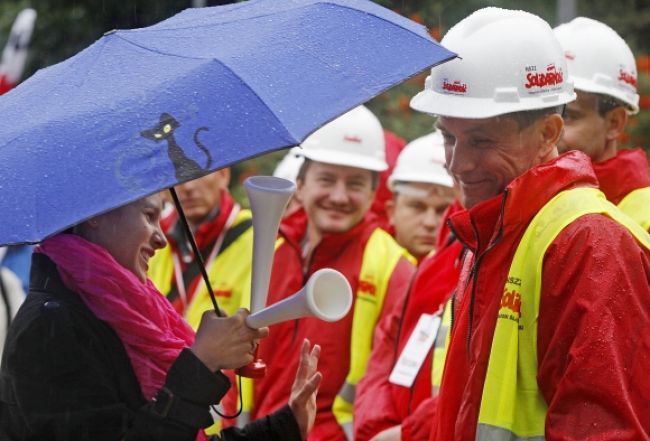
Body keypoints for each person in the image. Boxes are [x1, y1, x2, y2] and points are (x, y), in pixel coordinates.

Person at [408, 7, 650, 440]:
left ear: (547, 133)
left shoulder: (590, 245)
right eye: (448, 136)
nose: (458, 163)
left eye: (482, 140)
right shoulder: (492, 232)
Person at [0, 193, 322, 441]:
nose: (161, 237)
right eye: (149, 215)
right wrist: (200, 363)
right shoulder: (50, 327)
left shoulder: (119, 311)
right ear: (97, 214)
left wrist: (286, 425)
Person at [225, 105, 415, 441]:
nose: (339, 196)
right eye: (326, 179)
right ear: (300, 184)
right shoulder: (270, 248)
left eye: (355, 183)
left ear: (374, 192)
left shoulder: (394, 267)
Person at [554, 17, 650, 230]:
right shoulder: (527, 199)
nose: (548, 134)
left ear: (614, 123)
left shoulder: (645, 218)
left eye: (568, 116)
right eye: (543, 116)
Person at [148, 169, 254, 329]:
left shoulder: (259, 237)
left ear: (224, 175)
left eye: (198, 172)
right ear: (163, 190)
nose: (188, 186)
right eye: (177, 175)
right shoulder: (151, 244)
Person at [384, 131, 455, 262]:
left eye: (443, 210)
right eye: (417, 207)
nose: (430, 223)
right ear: (391, 211)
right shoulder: (368, 263)